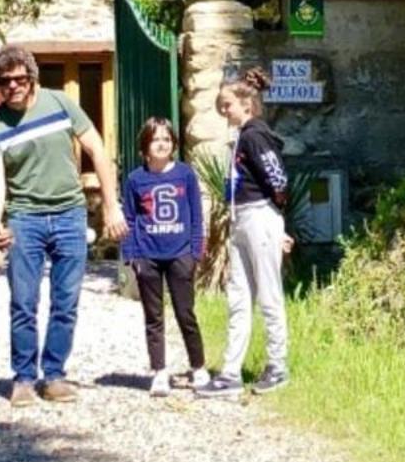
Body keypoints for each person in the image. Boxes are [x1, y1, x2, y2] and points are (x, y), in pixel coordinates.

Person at [0, 45, 128, 406]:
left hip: (69, 215)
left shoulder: (61, 103)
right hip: (25, 219)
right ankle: (24, 379)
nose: (12, 86)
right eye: (4, 80)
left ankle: (55, 375)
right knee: (23, 302)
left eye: (19, 78)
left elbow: (97, 151)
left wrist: (111, 206)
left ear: (32, 78)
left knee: (66, 301)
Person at [212, 68, 293, 398]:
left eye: (227, 104)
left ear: (246, 104)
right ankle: (231, 370)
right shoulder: (242, 137)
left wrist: (276, 216)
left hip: (258, 215)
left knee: (268, 294)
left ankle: (278, 364)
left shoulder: (254, 135)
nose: (224, 110)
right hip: (242, 218)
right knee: (239, 295)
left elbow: (278, 179)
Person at [119, 116, 210, 398]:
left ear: (174, 144)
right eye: (156, 139)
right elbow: (130, 219)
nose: (162, 144)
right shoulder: (136, 179)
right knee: (153, 316)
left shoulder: (185, 174)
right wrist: (132, 256)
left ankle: (198, 366)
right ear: (145, 145)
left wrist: (195, 251)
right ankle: (159, 372)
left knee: (186, 313)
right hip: (148, 255)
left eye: (167, 139)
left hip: (180, 254)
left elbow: (196, 215)